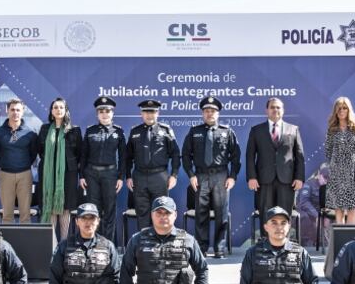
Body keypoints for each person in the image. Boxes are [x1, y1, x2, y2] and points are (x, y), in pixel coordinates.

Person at [181, 96, 241, 258]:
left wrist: (233, 177)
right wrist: (191, 175)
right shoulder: (195, 132)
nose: (210, 114)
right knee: (201, 214)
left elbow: (236, 157)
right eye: (207, 111)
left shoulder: (227, 132)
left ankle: (219, 248)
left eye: (213, 111)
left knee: (222, 215)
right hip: (200, 176)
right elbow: (185, 155)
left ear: (218, 113)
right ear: (202, 113)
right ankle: (201, 247)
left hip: (221, 176)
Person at [245, 97, 305, 223]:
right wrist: (252, 177)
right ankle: (265, 242)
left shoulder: (293, 129)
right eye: (272, 107)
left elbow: (299, 155)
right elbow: (250, 155)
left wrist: (299, 177)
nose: (275, 110)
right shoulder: (256, 130)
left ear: (283, 110)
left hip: (287, 181)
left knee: (284, 216)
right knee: (266, 216)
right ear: (266, 110)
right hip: (264, 180)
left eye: (278, 107)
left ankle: (283, 242)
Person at [126, 100, 180, 231]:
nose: (149, 115)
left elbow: (175, 154)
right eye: (146, 112)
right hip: (139, 176)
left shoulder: (166, 130)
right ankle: (144, 244)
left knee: (161, 211)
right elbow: (127, 157)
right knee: (142, 212)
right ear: (141, 114)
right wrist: (128, 176)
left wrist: (174, 175)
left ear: (158, 113)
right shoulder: (135, 132)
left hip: (159, 177)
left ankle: (159, 245)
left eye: (153, 112)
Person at [80, 97, 127, 244]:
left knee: (110, 211)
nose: (104, 114)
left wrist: (120, 177)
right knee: (94, 211)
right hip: (91, 175)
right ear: (97, 114)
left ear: (112, 113)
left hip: (110, 174)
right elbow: (83, 155)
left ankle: (108, 245)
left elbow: (124, 157)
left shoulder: (118, 132)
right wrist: (82, 176)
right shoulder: (90, 131)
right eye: (101, 111)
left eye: (107, 111)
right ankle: (94, 243)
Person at [36, 97, 82, 239]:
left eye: (61, 107)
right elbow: (40, 150)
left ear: (66, 111)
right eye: (55, 107)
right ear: (51, 111)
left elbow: (80, 153)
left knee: (64, 208)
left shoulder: (74, 130)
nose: (58, 110)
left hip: (68, 174)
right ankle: (50, 244)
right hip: (47, 174)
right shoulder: (44, 129)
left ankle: (63, 243)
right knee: (50, 208)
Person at [0, 98, 39, 224]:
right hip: (5, 174)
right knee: (7, 214)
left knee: (25, 214)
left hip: (25, 174)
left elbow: (33, 154)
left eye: (18, 110)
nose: (15, 112)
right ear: (7, 111)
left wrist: (23, 164)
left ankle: (25, 243)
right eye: (12, 109)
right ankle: (6, 243)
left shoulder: (30, 133)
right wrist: (4, 164)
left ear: (23, 112)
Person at [324, 96, 355, 224]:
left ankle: (350, 239)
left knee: (352, 208)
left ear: (349, 110)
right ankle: (340, 240)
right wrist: (337, 164)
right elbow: (328, 151)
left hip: (353, 172)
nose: (342, 111)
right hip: (337, 173)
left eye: (344, 108)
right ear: (335, 111)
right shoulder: (332, 130)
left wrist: (353, 164)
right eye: (339, 108)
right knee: (339, 209)